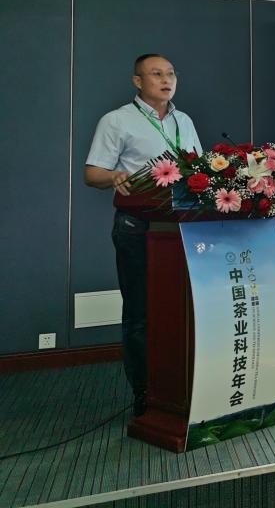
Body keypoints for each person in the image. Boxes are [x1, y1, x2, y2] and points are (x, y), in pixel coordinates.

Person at [84, 54, 203, 417]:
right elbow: (92, 174)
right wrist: (114, 176)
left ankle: (184, 384)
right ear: (138, 81)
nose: (166, 80)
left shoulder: (184, 121)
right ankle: (145, 392)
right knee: (141, 312)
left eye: (171, 74)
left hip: (182, 227)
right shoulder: (117, 120)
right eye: (156, 74)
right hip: (137, 227)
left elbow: (199, 171)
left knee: (185, 308)